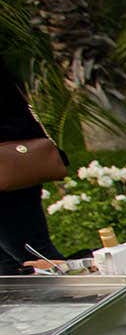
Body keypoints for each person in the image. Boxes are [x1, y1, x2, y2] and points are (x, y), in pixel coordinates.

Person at [0, 63, 67, 275]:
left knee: (36, 256)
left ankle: (79, 299)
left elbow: (14, 115)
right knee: (10, 267)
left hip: (10, 173)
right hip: (13, 169)